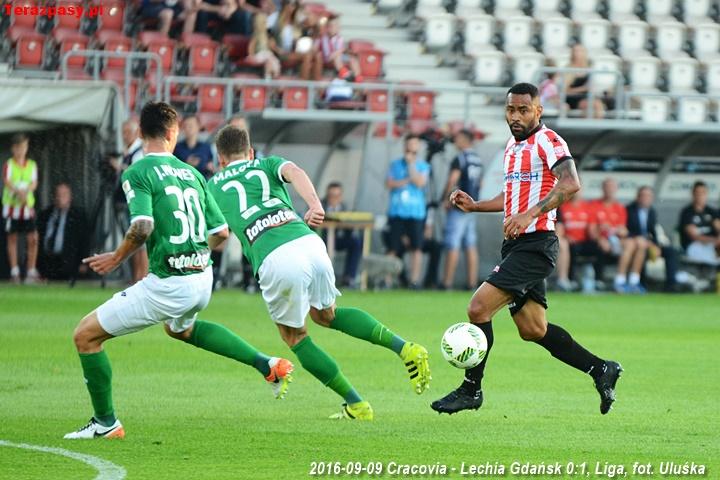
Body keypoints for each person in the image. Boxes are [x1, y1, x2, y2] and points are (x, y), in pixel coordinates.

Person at [64, 102, 292, 440]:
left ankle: (105, 423)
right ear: (174, 134)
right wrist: (191, 251)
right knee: (180, 330)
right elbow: (221, 233)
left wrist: (117, 257)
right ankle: (267, 365)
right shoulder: (194, 173)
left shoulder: (137, 172)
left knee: (85, 336)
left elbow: (142, 226)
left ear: (140, 134)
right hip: (202, 277)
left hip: (168, 284)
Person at [207, 125, 430, 420]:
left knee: (295, 337)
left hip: (275, 256)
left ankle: (356, 404)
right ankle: (405, 348)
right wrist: (315, 204)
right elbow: (296, 172)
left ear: (220, 159)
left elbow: (219, 233)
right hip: (308, 241)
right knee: (328, 315)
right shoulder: (267, 163)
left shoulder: (211, 185)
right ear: (250, 152)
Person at [431, 83, 622, 416]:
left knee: (478, 309)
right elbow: (513, 197)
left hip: (536, 245)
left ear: (538, 111)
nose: (515, 116)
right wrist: (476, 206)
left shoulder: (549, 141)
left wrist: (531, 213)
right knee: (533, 329)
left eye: (523, 110)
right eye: (510, 110)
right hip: (516, 245)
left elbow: (570, 183)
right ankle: (600, 369)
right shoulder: (511, 146)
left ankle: (471, 389)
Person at [385, 134, 430, 289]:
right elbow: (389, 183)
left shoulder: (422, 166)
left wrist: (411, 166)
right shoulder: (395, 165)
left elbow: (419, 183)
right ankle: (387, 280)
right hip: (397, 212)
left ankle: (414, 281)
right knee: (393, 247)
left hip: (416, 213)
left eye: (414, 146)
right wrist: (405, 181)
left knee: (416, 247)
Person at [440, 129, 484, 290]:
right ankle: (472, 283)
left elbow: (453, 179)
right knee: (470, 245)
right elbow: (481, 183)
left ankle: (447, 283)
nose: (455, 141)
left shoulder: (460, 158)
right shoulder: (477, 159)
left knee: (453, 243)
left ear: (465, 140)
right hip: (472, 207)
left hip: (459, 207)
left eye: (458, 138)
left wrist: (445, 199)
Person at [114, 119, 149, 284]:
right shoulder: (128, 152)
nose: (125, 136)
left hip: (136, 203)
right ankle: (137, 277)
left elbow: (137, 176)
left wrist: (119, 168)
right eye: (123, 132)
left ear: (136, 133)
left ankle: (141, 277)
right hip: (129, 202)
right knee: (135, 242)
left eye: (128, 132)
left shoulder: (138, 153)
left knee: (140, 242)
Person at [625, 186, 679, 292]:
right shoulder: (629, 210)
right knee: (642, 250)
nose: (646, 198)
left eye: (648, 196)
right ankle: (641, 284)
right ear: (638, 197)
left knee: (671, 251)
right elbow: (628, 231)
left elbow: (653, 232)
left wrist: (656, 245)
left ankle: (671, 285)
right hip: (636, 243)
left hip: (650, 244)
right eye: (643, 195)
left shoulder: (651, 212)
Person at [2, 133, 40, 284]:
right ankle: (15, 271)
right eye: (18, 147)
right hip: (12, 207)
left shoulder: (31, 164)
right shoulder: (9, 165)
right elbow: (7, 181)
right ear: (13, 149)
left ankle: (31, 271)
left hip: (27, 207)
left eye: (24, 147)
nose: (21, 150)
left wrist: (26, 191)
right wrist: (19, 192)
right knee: (12, 238)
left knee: (33, 238)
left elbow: (34, 182)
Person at [37, 183, 88, 281]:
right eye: (58, 195)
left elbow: (84, 240)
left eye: (64, 195)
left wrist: (84, 262)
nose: (60, 198)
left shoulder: (78, 216)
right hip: (47, 263)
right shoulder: (45, 214)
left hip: (68, 262)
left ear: (70, 197)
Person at [321, 182, 363, 288]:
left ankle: (349, 278)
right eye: (332, 196)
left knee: (356, 242)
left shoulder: (344, 207)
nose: (334, 199)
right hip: (323, 240)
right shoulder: (320, 206)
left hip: (339, 239)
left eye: (337, 196)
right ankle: (326, 280)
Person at [555, 190, 599, 291]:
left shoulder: (587, 207)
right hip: (569, 241)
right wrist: (566, 236)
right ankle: (568, 279)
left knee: (597, 247)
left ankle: (597, 280)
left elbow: (592, 231)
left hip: (583, 242)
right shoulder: (562, 206)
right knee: (569, 246)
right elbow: (560, 229)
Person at [592, 178, 630, 292]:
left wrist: (615, 230)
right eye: (607, 187)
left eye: (612, 187)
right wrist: (600, 238)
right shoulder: (594, 205)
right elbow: (592, 228)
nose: (610, 190)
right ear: (603, 188)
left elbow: (623, 231)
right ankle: (599, 281)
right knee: (600, 247)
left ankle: (621, 280)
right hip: (600, 241)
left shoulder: (620, 208)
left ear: (616, 189)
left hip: (616, 241)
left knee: (631, 244)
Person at [678, 181, 720, 265]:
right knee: (711, 258)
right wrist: (715, 240)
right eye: (698, 193)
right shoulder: (687, 212)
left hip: (712, 245)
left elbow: (718, 226)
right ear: (693, 194)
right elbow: (694, 236)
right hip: (694, 245)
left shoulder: (711, 211)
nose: (700, 196)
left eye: (703, 193)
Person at [310, 17, 360, 81]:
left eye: (336, 26)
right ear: (327, 28)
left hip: (335, 57)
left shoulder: (339, 38)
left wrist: (342, 51)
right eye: (331, 26)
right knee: (337, 57)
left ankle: (357, 79)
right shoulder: (321, 37)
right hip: (326, 58)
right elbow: (315, 49)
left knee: (353, 60)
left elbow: (339, 51)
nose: (333, 28)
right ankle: (346, 76)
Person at [564, 44, 605, 119]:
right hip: (573, 97)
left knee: (598, 104)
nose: (579, 53)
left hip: (587, 96)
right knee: (588, 104)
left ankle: (598, 126)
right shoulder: (569, 69)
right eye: (577, 51)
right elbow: (565, 90)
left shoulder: (589, 68)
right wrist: (583, 89)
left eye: (581, 51)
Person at [174, 115, 215, 179]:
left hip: (202, 183)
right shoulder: (177, 148)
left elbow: (211, 168)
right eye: (185, 126)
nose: (188, 128)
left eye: (191, 126)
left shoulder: (206, 148)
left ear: (198, 126)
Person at [247, 13, 282, 78]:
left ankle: (274, 75)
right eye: (263, 23)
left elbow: (273, 46)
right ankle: (268, 77)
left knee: (273, 60)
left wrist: (278, 50)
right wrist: (251, 55)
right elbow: (251, 46)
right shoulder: (256, 35)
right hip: (259, 55)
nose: (265, 24)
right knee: (269, 59)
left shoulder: (268, 36)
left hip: (268, 54)